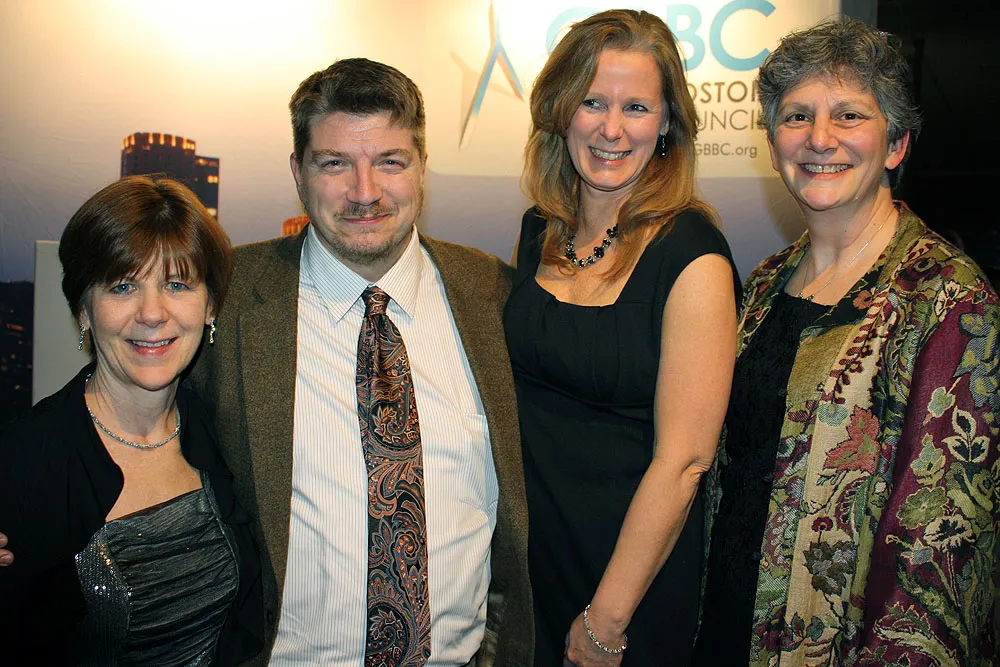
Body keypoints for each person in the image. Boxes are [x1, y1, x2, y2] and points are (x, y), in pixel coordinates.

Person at [186, 58, 533, 665]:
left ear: (422, 166)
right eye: (335, 163)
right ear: (298, 172)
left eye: (390, 162)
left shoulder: (495, 294)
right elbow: (125, 407)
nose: (365, 192)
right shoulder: (228, 293)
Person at [694, 17, 999, 665]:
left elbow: (941, 552)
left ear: (896, 144)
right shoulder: (764, 284)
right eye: (797, 116)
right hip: (722, 630)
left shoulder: (948, 299)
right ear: (773, 142)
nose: (819, 138)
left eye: (849, 115)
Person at [504, 10, 739, 666]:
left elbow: (685, 461)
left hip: (627, 592)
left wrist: (606, 619)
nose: (611, 129)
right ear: (561, 113)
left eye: (636, 107)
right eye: (592, 102)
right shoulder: (539, 229)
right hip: (535, 570)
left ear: (666, 123)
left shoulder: (693, 255)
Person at [0, 176, 264, 665]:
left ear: (210, 306)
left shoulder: (226, 429)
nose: (152, 313)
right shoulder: (22, 462)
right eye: (123, 286)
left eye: (177, 284)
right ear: (83, 309)